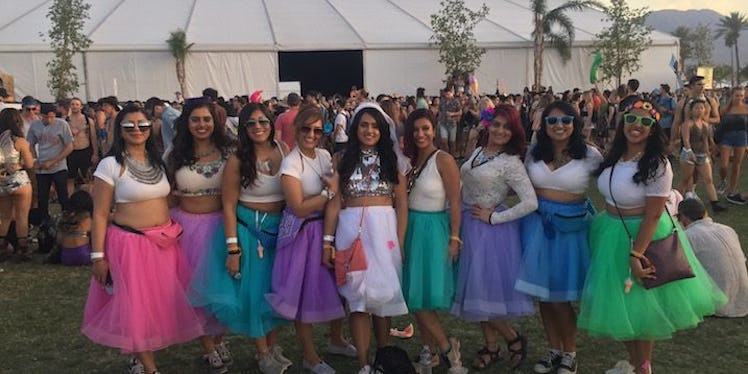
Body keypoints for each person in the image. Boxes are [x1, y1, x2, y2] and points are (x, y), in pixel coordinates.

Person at [577, 99, 726, 374]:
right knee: (624, 306)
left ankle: (644, 367)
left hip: (641, 236)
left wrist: (637, 254)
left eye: (646, 122)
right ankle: (635, 364)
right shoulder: (614, 156)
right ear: (623, 123)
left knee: (640, 306)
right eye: (632, 119)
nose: (637, 126)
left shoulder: (657, 164)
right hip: (611, 230)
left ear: (653, 128)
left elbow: (655, 215)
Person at [82, 105, 205, 374]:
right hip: (130, 245)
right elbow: (100, 213)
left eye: (142, 125)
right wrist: (98, 256)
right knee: (136, 307)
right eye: (129, 126)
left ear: (151, 129)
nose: (137, 130)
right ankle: (150, 368)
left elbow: (168, 197)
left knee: (157, 305)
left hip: (162, 244)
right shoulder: (110, 165)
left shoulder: (158, 160)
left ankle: (139, 359)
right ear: (120, 130)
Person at [189, 101, 293, 373]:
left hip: (279, 233)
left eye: (263, 122)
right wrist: (233, 248)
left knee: (277, 292)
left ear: (271, 124)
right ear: (243, 128)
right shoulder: (237, 159)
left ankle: (272, 346)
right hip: (250, 235)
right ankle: (261, 353)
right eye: (251, 123)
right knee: (256, 295)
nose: (258, 127)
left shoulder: (284, 150)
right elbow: (228, 205)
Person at [323, 103, 411, 374]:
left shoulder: (392, 161)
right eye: (363, 125)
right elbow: (335, 202)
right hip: (352, 232)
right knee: (357, 297)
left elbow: (402, 205)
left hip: (384, 231)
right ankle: (363, 363)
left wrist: (399, 241)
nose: (369, 130)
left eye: (374, 126)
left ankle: (382, 359)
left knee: (383, 297)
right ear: (355, 128)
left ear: (382, 130)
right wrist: (327, 240)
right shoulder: (341, 159)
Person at [516, 101, 602, 374]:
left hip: (570, 230)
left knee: (561, 297)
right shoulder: (534, 154)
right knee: (544, 294)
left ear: (575, 123)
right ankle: (553, 350)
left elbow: (613, 181)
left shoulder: (590, 155)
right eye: (552, 121)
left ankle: (570, 353)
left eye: (565, 120)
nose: (559, 126)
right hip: (537, 226)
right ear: (544, 126)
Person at [266, 105, 352, 374]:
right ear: (296, 128)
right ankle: (310, 356)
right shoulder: (292, 163)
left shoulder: (325, 156)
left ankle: (336, 339)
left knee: (336, 288)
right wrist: (329, 194)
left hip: (327, 228)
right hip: (302, 235)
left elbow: (336, 191)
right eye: (306, 128)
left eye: (319, 129)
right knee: (303, 295)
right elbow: (299, 206)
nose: (312, 134)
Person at [451, 104, 537, 371]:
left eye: (507, 127)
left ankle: (513, 339)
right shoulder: (478, 151)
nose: (500, 130)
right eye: (497, 124)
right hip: (469, 225)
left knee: (484, 291)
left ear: (514, 133)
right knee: (476, 292)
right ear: (488, 125)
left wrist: (495, 217)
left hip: (491, 233)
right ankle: (491, 346)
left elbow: (530, 202)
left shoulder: (511, 162)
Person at [165, 98, 233, 373]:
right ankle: (207, 346)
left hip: (222, 227)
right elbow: (166, 194)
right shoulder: (175, 154)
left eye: (206, 119)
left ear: (214, 122)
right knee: (193, 290)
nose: (201, 125)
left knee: (223, 290)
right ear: (186, 123)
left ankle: (218, 339)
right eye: (195, 120)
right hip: (187, 230)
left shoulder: (229, 151)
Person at [400, 109, 466, 372]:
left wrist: (454, 238)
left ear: (434, 129)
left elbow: (456, 202)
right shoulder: (412, 161)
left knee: (424, 295)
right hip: (412, 228)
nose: (420, 134)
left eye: (425, 128)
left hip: (434, 230)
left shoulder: (444, 159)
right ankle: (430, 351)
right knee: (416, 293)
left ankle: (447, 348)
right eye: (415, 130)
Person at [678, 198, 748, 318]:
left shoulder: (688, 236)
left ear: (683, 217)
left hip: (718, 303)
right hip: (743, 299)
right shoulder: (727, 229)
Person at [678, 99, 727, 212]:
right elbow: (686, 140)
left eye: (701, 108)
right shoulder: (687, 124)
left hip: (702, 155)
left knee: (708, 179)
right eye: (696, 108)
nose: (699, 110)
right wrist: (690, 152)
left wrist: (709, 153)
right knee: (685, 180)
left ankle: (715, 203)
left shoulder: (705, 124)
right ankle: (677, 202)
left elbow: (706, 140)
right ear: (691, 111)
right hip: (688, 155)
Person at [27, 103, 74, 221]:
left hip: (59, 167)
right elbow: (30, 144)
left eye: (52, 117)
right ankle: (44, 222)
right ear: (41, 115)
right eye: (46, 117)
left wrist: (53, 162)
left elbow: (69, 146)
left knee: (63, 196)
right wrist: (34, 160)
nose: (49, 120)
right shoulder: (35, 126)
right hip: (42, 167)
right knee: (42, 198)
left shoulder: (62, 124)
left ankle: (67, 218)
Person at [0, 109, 33, 261]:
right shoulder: (19, 141)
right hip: (19, 180)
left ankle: (2, 246)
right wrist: (19, 164)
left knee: (5, 216)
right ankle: (23, 248)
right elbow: (29, 163)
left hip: (2, 181)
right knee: (22, 216)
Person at [718, 87, 748, 204]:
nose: (739, 98)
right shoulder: (727, 109)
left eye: (741, 95)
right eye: (737, 95)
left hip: (742, 137)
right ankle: (723, 180)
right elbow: (720, 122)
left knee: (737, 164)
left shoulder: (746, 108)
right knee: (724, 165)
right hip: (727, 137)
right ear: (732, 96)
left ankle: (731, 190)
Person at [66, 97, 98, 194]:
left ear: (81, 106)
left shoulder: (88, 120)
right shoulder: (65, 121)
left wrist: (95, 153)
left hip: (85, 150)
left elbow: (93, 138)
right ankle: (71, 201)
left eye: (77, 104)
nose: (75, 106)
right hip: (70, 151)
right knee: (70, 179)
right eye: (73, 104)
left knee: (88, 177)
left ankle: (90, 200)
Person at [57, 190, 93, 266]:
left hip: (65, 257)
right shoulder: (88, 218)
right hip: (84, 256)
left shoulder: (64, 217)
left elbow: (58, 240)